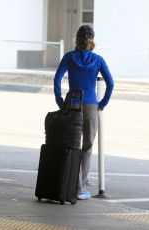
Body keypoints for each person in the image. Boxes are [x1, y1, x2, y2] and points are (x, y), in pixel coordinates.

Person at [54, 25, 114, 200]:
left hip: (72, 104)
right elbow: (110, 84)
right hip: (90, 107)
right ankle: (80, 189)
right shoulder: (98, 60)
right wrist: (102, 103)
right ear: (92, 40)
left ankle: (68, 183)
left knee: (71, 145)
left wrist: (59, 100)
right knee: (87, 147)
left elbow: (57, 78)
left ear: (77, 39)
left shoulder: (69, 57)